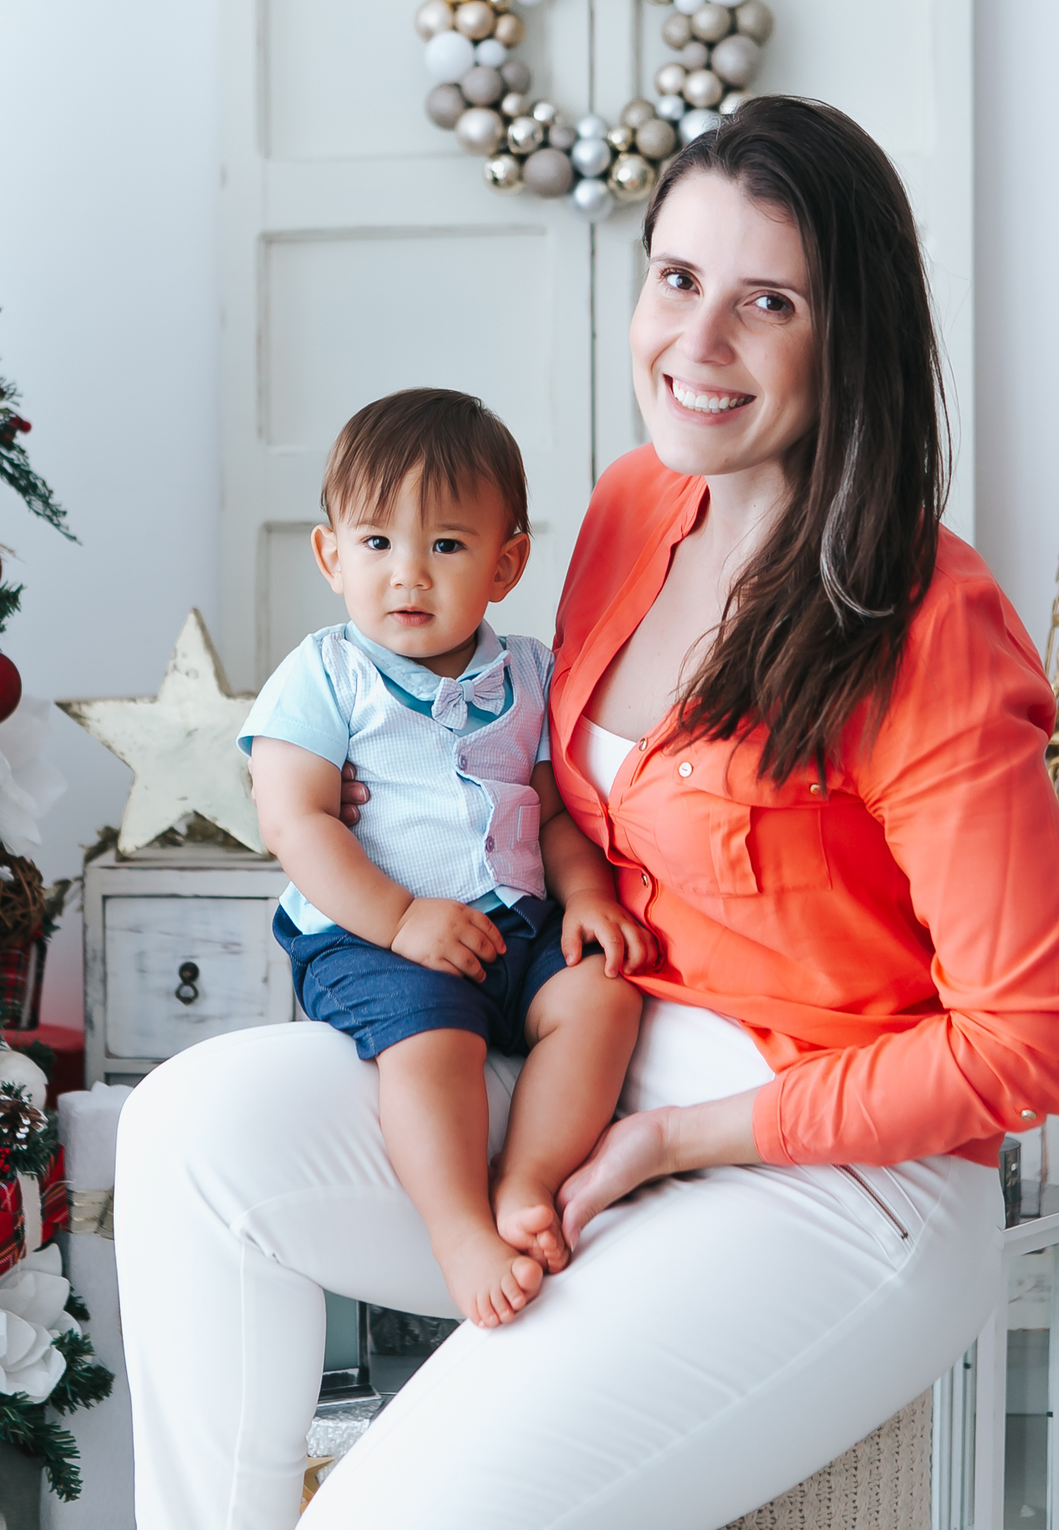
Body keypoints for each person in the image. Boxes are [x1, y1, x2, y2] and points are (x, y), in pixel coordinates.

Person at [115, 97, 1059, 1530]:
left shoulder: (932, 626)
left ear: (849, 335)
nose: (698, 342)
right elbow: (555, 787)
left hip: (831, 1175)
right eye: (677, 279)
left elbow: (1023, 1044)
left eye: (769, 302)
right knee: (189, 1129)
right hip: (592, 1059)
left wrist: (683, 1139)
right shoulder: (635, 504)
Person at [240, 389, 652, 1329]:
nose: (409, 575)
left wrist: (588, 897)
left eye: (448, 546)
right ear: (331, 555)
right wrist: (400, 920)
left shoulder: (530, 674)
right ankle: (460, 1228)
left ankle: (527, 1178)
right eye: (377, 542)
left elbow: (555, 814)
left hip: (515, 925)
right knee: (433, 1046)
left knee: (604, 996)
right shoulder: (326, 674)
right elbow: (296, 822)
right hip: (370, 938)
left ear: (506, 564)